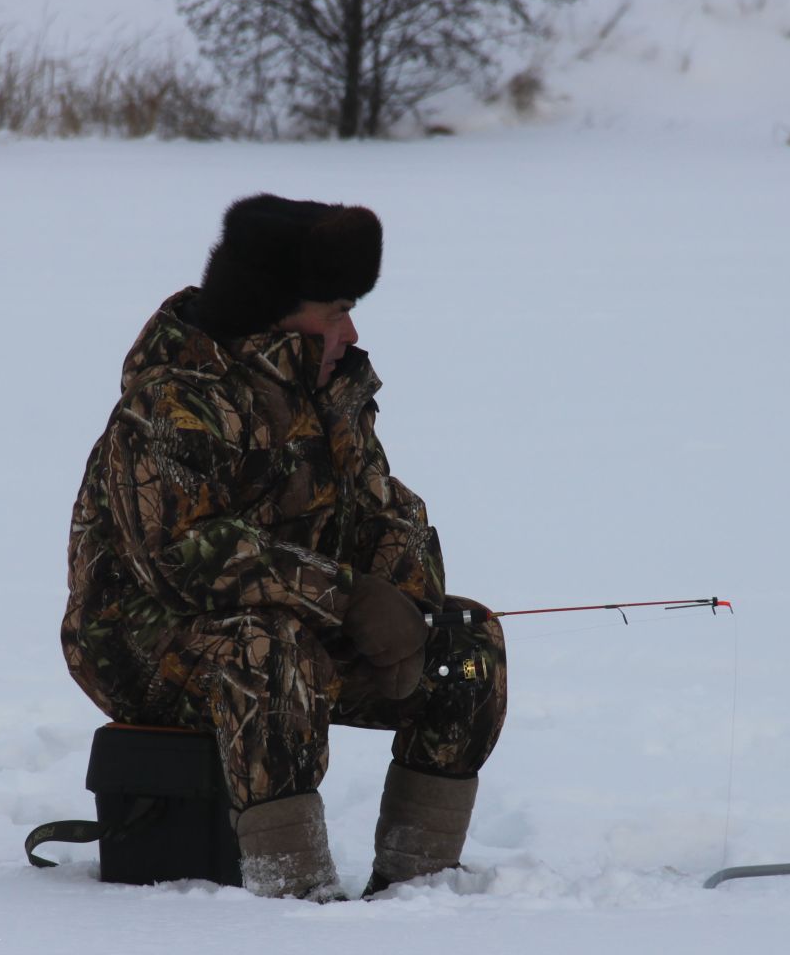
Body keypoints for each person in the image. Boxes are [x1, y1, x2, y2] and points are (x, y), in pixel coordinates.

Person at [61, 193, 506, 900]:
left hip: (292, 626)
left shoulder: (329, 393)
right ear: (275, 314)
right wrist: (348, 597)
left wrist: (405, 608)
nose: (351, 330)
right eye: (334, 312)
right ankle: (292, 895)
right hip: (139, 639)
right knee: (270, 653)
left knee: (466, 645)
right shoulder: (174, 402)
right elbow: (183, 555)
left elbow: (387, 514)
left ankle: (418, 889)